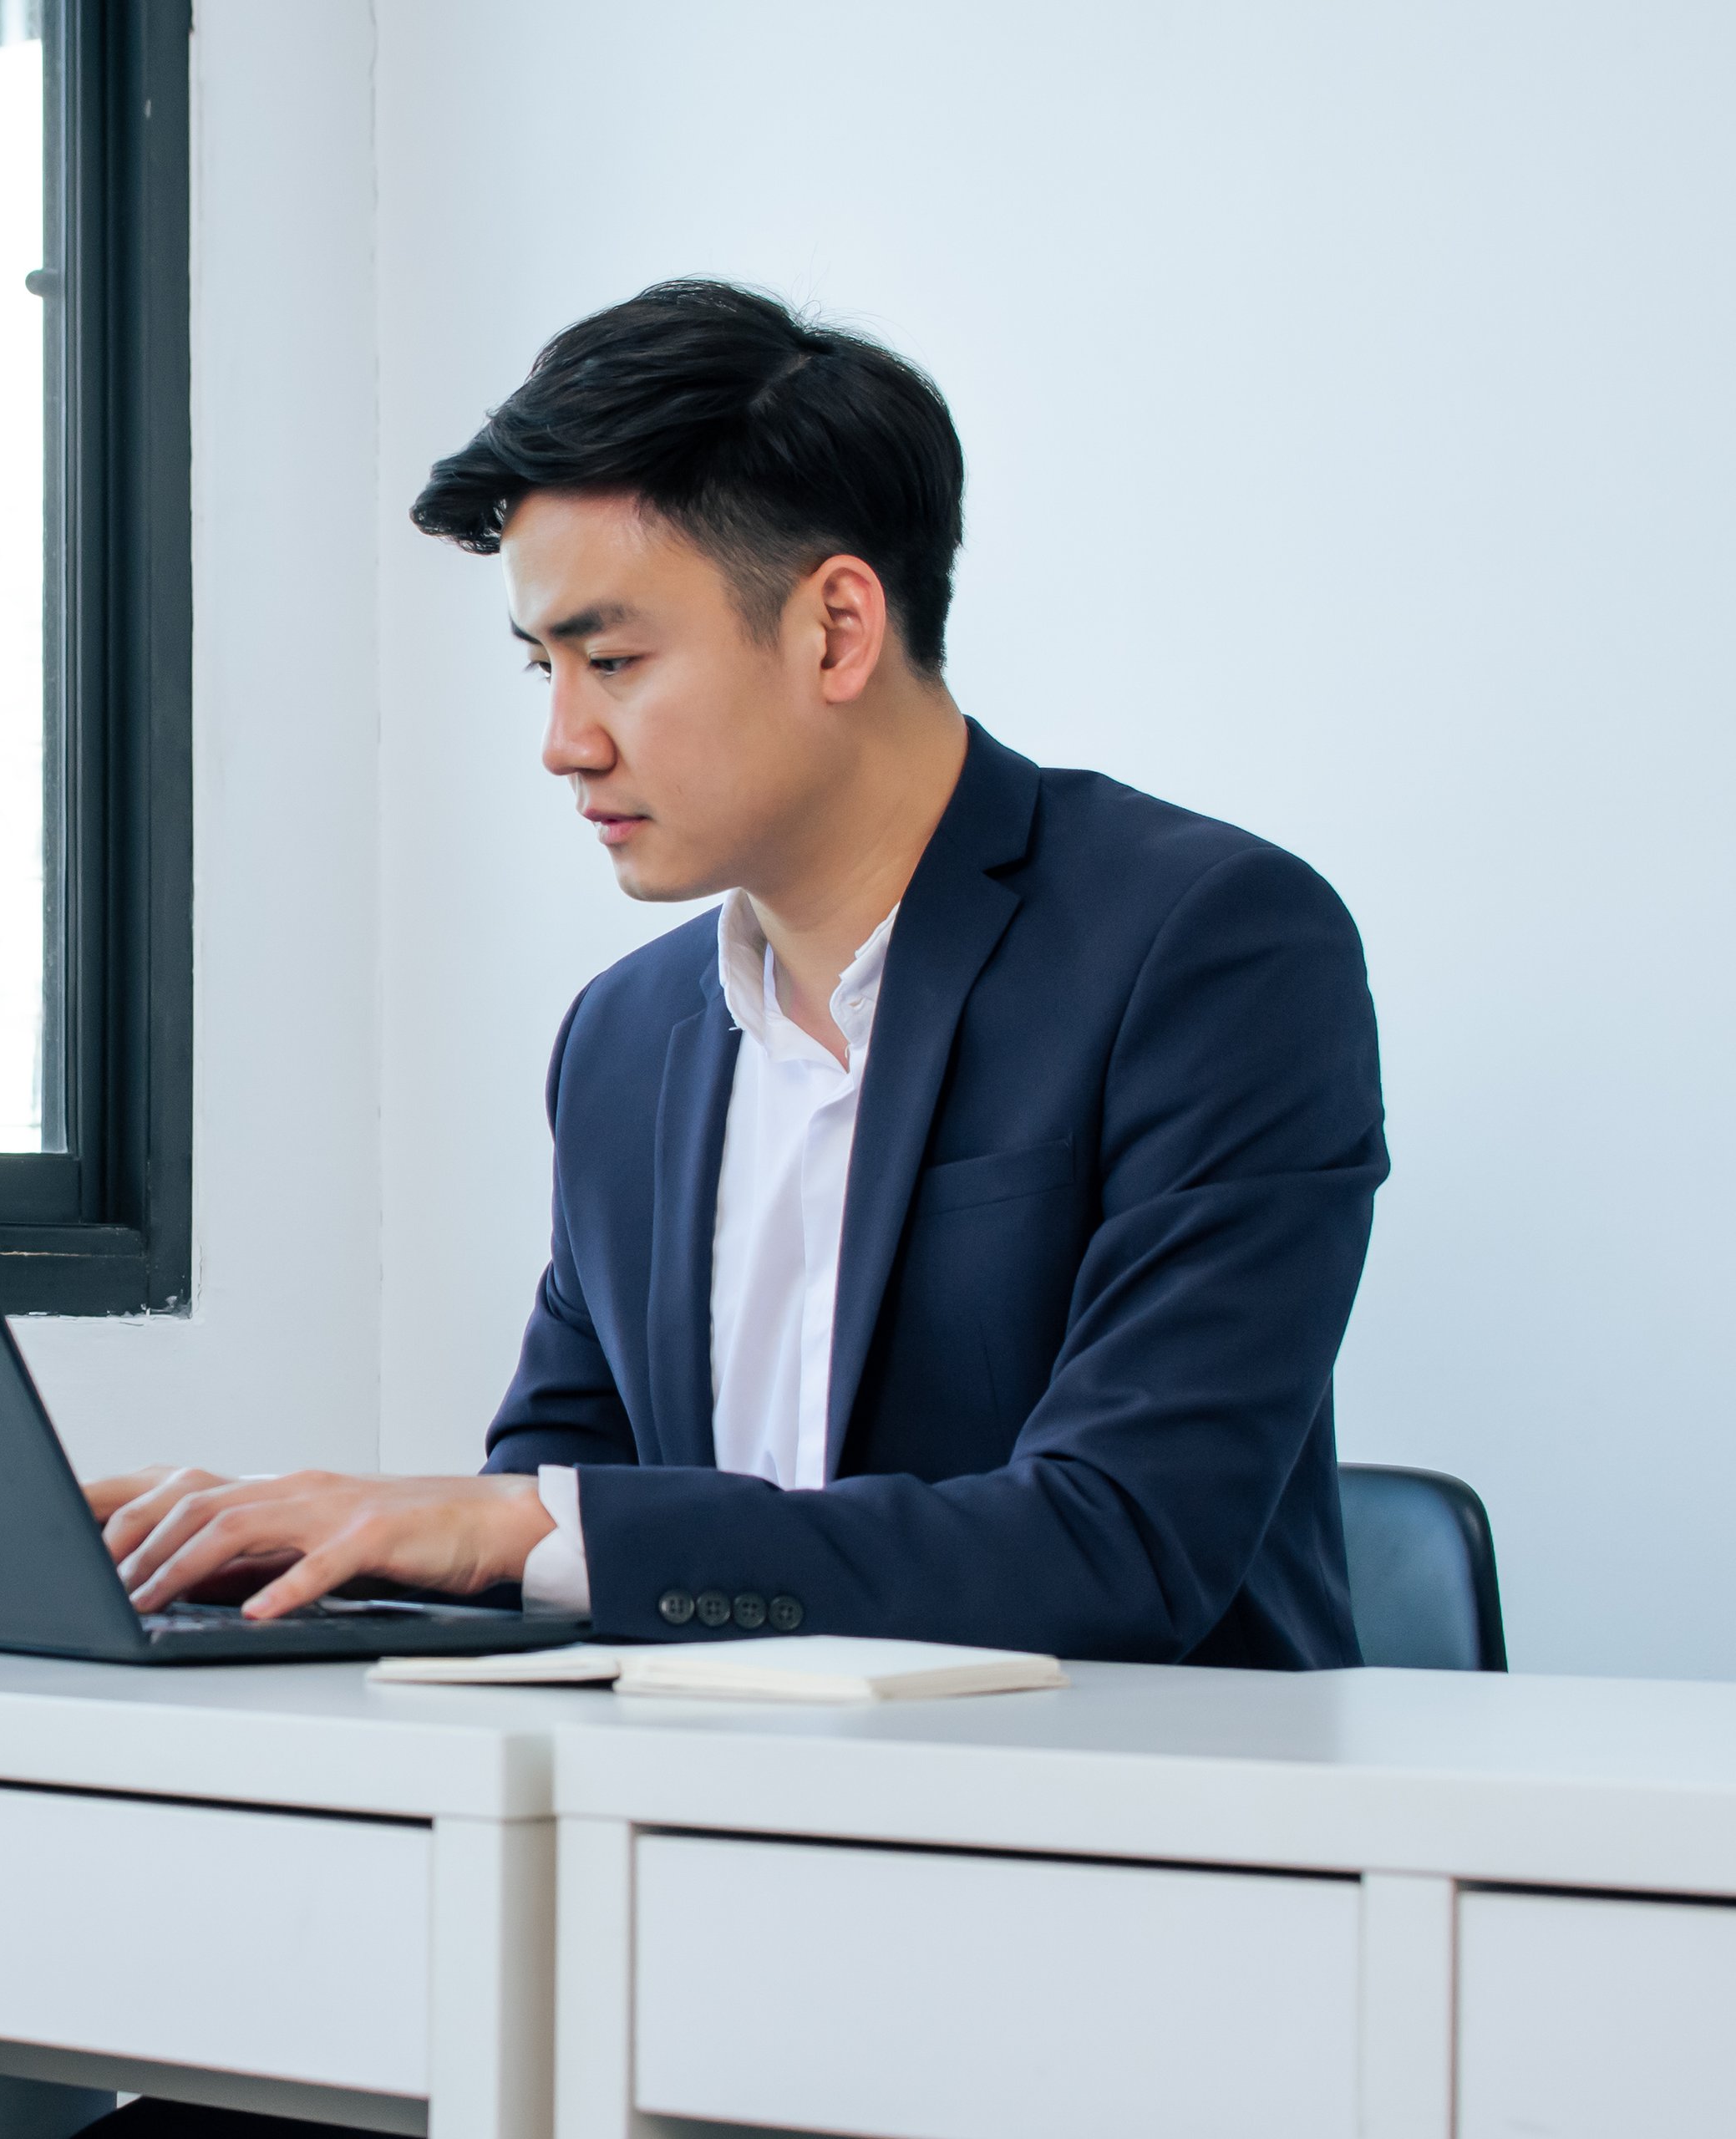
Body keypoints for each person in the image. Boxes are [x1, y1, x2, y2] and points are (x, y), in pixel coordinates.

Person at [92, 280, 1384, 1675]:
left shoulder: (1210, 948)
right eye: (543, 667)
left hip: (1136, 1838)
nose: (564, 741)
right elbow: (549, 1516)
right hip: (703, 1824)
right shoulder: (625, 1039)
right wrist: (284, 1560)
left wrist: (517, 1533)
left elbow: (1124, 1545)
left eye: (615, 659)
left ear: (835, 628)